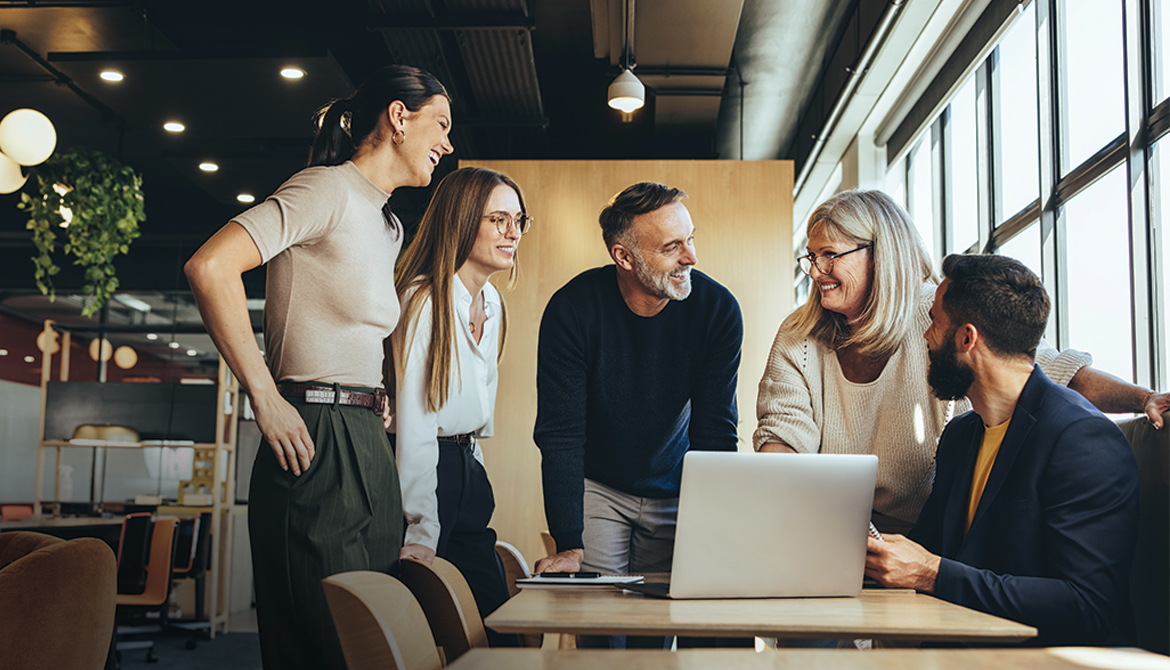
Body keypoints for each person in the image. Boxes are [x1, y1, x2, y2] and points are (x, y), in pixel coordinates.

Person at [184, 65, 453, 669]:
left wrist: (374, 394)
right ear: (398, 117)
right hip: (312, 434)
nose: (447, 143)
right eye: (441, 124)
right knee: (325, 644)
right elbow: (210, 267)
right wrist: (265, 395)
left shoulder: (387, 222)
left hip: (364, 437)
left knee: (373, 642)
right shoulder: (325, 189)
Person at [754, 189, 1167, 534]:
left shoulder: (936, 315)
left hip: (931, 535)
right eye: (810, 257)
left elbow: (1044, 372)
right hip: (831, 526)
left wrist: (1144, 398)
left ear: (880, 255)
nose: (815, 270)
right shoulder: (800, 335)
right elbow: (783, 438)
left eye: (829, 255)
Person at [865, 253, 1139, 646]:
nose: (925, 335)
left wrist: (932, 574)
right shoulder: (961, 436)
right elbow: (926, 550)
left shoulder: (1084, 440)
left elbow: (1086, 606)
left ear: (966, 338)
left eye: (934, 324)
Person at [532, 182, 743, 647]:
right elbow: (561, 433)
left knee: (658, 633)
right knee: (601, 633)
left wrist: (717, 528)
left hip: (676, 484)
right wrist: (570, 541)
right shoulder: (572, 310)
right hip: (599, 488)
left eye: (691, 238)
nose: (690, 256)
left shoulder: (718, 311)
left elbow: (715, 428)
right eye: (672, 247)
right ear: (624, 257)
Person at [388, 167, 528, 645]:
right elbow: (415, 424)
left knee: (494, 626)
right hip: (429, 474)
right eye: (498, 220)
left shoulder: (490, 301)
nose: (513, 233)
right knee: (427, 631)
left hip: (467, 468)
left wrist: (476, 471)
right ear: (463, 221)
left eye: (519, 220)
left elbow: (475, 414)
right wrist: (423, 527)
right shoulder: (424, 300)